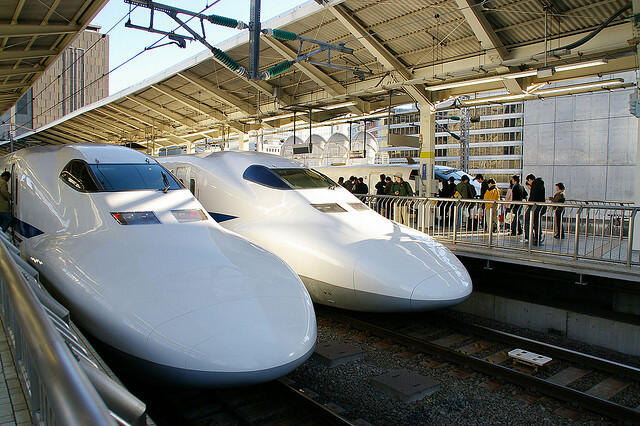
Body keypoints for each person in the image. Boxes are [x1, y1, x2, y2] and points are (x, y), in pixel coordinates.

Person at [526, 173, 546, 245]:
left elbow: (533, 196)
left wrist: (529, 203)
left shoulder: (534, 185)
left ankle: (530, 237)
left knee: (527, 220)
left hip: (534, 206)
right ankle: (538, 237)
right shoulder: (541, 184)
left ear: (530, 180)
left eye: (528, 181)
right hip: (540, 206)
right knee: (537, 222)